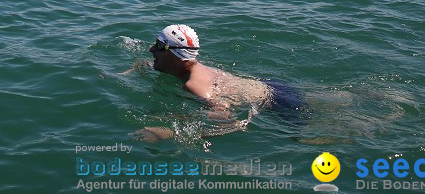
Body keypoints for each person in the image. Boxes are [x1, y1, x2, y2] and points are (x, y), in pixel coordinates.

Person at [130, 24, 305, 141]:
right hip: (271, 86)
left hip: (278, 105)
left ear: (175, 56)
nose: (151, 49)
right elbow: (151, 63)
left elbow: (229, 123)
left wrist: (168, 133)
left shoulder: (195, 87)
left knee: (305, 140)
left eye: (159, 46)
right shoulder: (191, 68)